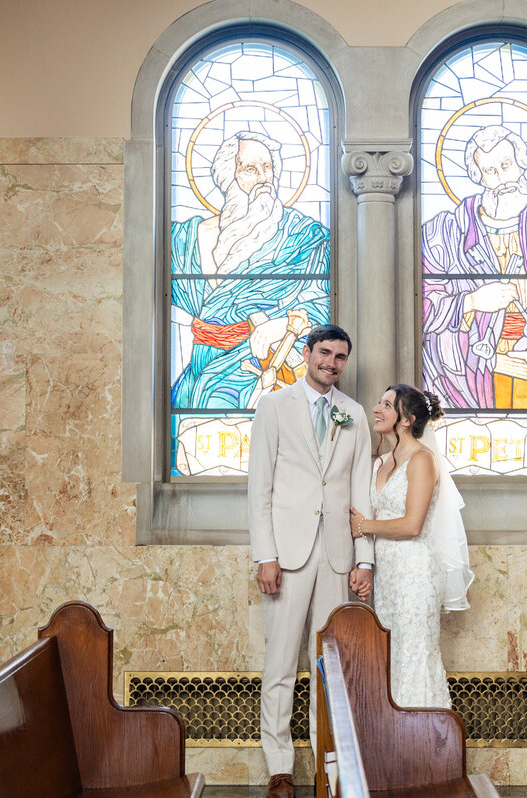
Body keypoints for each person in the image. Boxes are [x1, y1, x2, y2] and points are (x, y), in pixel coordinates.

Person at [248, 324, 375, 798]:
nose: (331, 363)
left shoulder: (354, 414)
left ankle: (329, 769)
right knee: (281, 663)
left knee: (329, 668)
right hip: (287, 555)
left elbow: (361, 492)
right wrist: (266, 555)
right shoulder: (274, 406)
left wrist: (365, 560)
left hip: (337, 556)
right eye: (325, 353)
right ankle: (280, 769)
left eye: (340, 357)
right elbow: (259, 489)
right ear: (307, 353)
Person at [421, 124, 527, 411]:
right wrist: (471, 301)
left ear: (521, 163)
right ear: (479, 177)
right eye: (490, 171)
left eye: (506, 165)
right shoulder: (446, 230)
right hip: (466, 369)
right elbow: (420, 300)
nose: (502, 178)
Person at [170, 131, 331, 414]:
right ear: (226, 178)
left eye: (268, 168)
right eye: (250, 169)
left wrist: (282, 324)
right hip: (198, 368)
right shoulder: (185, 239)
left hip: (259, 364)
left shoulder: (303, 236)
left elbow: (324, 300)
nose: (264, 178)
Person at [348, 384, 474, 708]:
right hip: (388, 578)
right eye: (379, 403)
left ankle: (424, 736)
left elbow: (412, 524)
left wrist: (364, 526)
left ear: (407, 420)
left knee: (415, 657)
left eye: (387, 405)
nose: (376, 409)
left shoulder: (422, 460)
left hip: (416, 574)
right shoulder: (380, 462)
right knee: (393, 657)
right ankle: (395, 735)